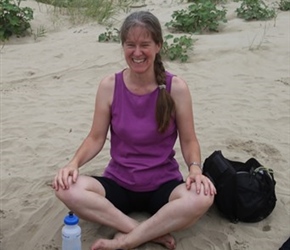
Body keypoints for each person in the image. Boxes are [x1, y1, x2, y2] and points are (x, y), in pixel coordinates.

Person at [52, 10, 216, 250]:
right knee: (65, 188)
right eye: (130, 45)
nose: (137, 53)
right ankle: (146, 232)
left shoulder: (176, 88)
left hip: (163, 186)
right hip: (119, 183)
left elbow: (189, 141)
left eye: (145, 45)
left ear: (158, 45)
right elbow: (95, 138)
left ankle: (127, 240)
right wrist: (73, 164)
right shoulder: (110, 86)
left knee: (203, 196)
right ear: (123, 46)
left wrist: (195, 170)